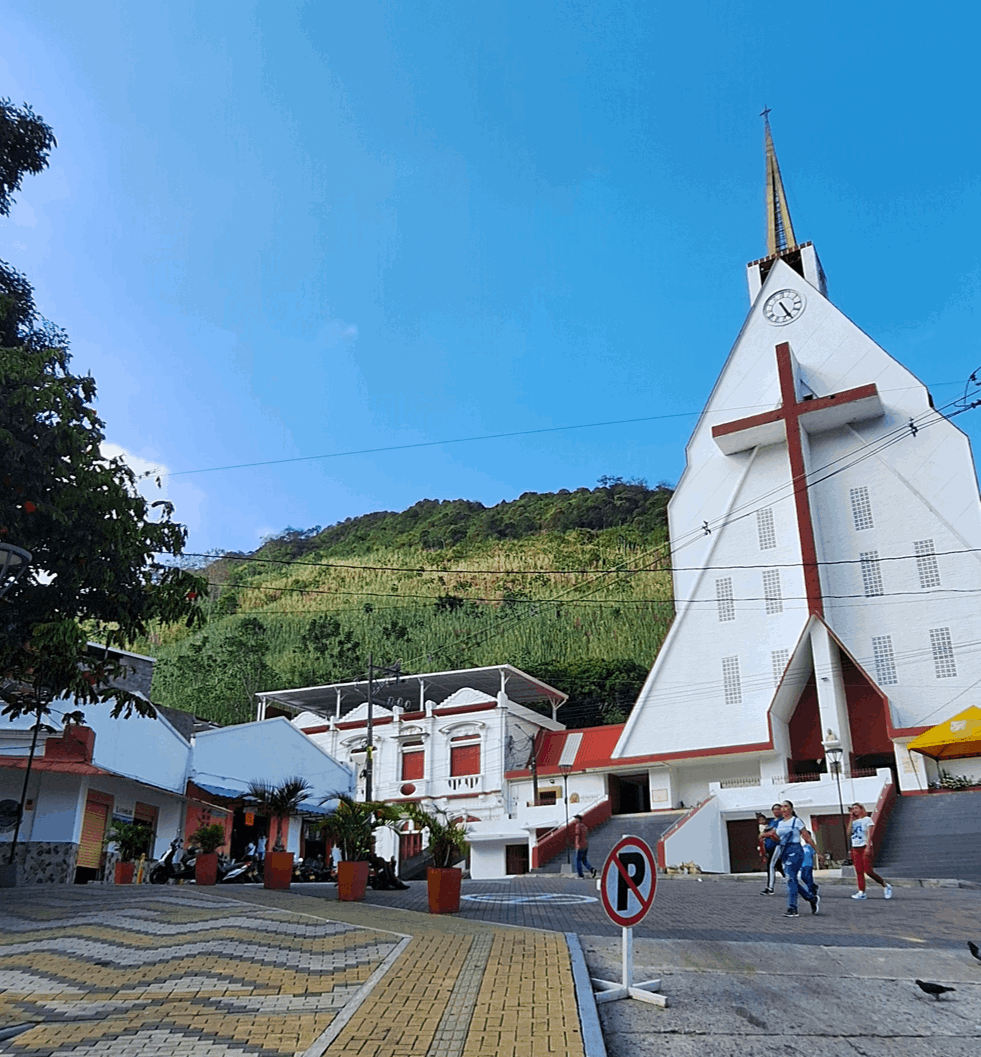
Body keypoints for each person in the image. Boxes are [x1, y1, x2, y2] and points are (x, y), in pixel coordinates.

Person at [762, 801, 819, 917]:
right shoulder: (780, 824)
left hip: (795, 850)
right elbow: (778, 838)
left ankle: (792, 908)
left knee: (791, 878)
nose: (783, 809)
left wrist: (817, 851)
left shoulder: (796, 821)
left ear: (791, 809)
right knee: (790, 879)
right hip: (785, 851)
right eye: (782, 807)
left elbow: (806, 837)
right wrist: (768, 836)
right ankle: (811, 898)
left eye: (786, 806)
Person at [848, 803, 892, 900]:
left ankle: (885, 885)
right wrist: (851, 819)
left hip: (864, 846)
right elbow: (848, 832)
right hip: (855, 847)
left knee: (868, 871)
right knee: (859, 871)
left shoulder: (867, 820)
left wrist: (868, 846)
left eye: (856, 808)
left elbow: (870, 834)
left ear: (861, 809)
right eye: (853, 809)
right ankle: (861, 891)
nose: (854, 810)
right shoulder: (854, 822)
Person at [758, 803, 785, 895]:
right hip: (769, 847)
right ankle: (797, 884)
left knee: (771, 865)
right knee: (780, 867)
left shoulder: (782, 821)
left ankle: (770, 888)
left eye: (778, 809)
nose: (776, 811)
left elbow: (774, 834)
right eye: (774, 809)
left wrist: (764, 834)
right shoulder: (772, 821)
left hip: (777, 846)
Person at [571, 814, 596, 879]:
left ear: (578, 819)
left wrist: (577, 845)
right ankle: (591, 869)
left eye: (575, 818)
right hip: (585, 845)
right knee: (584, 860)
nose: (575, 820)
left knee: (577, 860)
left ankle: (580, 875)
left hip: (580, 846)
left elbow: (578, 836)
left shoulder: (578, 826)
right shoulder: (584, 826)